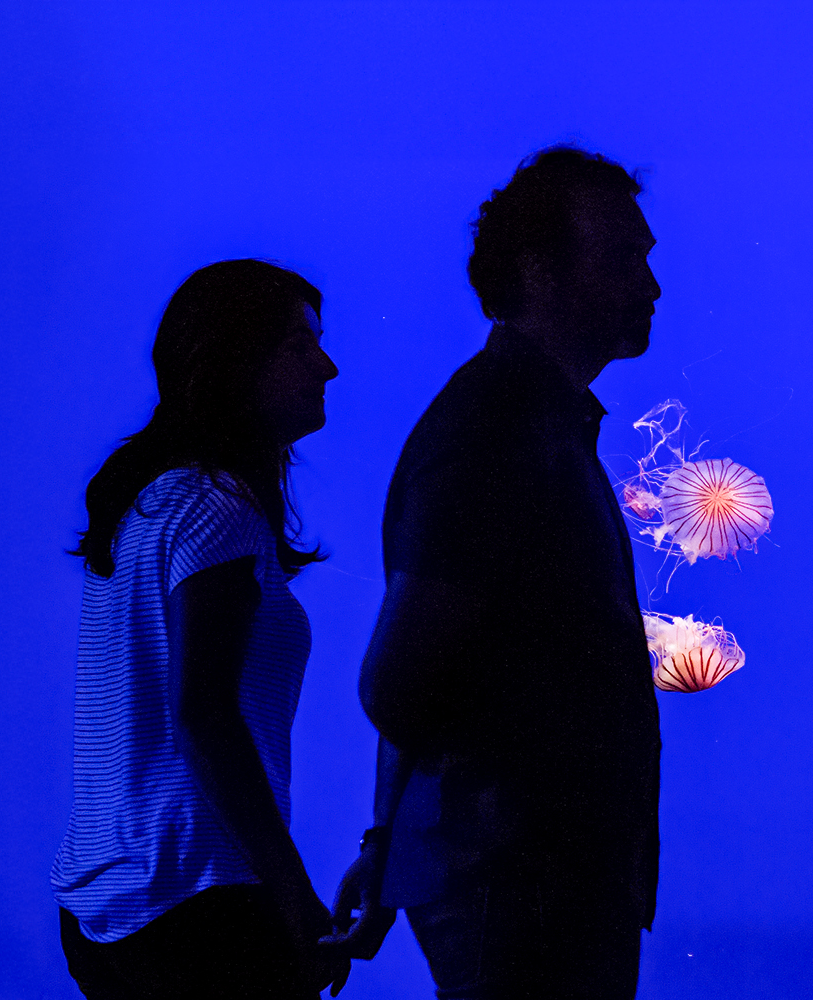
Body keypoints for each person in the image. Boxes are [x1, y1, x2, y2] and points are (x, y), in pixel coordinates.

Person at [324, 147, 664, 999]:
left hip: (525, 880)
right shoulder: (495, 431)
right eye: (624, 257)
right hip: (519, 881)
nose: (651, 286)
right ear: (539, 271)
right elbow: (395, 682)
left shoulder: (523, 423)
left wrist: (383, 839)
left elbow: (435, 646)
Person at [52, 260, 349, 999]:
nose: (328, 365)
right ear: (233, 363)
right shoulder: (217, 509)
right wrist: (293, 896)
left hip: (106, 903)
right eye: (298, 346)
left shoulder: (150, 505)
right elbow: (205, 715)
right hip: (203, 901)